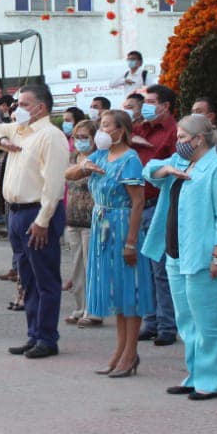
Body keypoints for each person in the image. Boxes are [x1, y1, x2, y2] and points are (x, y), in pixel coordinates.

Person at [143, 115, 217, 400]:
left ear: (199, 139)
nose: (179, 142)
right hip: (176, 253)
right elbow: (149, 170)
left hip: (203, 255)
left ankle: (212, 382)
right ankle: (195, 375)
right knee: (187, 320)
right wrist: (167, 170)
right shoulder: (180, 162)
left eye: (184, 137)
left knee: (209, 321)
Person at [0, 83, 71, 359]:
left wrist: (43, 220)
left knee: (45, 279)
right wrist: (2, 142)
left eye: (23, 104)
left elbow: (54, 183)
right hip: (16, 212)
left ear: (40, 107)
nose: (16, 109)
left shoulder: (50, 135)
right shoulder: (19, 130)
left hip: (37, 212)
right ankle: (34, 334)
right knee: (27, 279)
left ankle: (47, 337)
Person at [67, 110, 149, 377]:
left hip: (122, 224)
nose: (100, 131)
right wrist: (83, 166)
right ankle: (120, 350)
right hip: (101, 224)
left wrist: (131, 242)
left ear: (120, 131)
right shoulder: (99, 155)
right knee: (115, 292)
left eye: (105, 126)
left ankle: (129, 353)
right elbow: (68, 174)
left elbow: (138, 202)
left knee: (130, 292)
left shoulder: (131, 159)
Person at [133, 84, 179, 346]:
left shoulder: (173, 133)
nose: (145, 106)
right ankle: (150, 321)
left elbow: (175, 167)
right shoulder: (140, 129)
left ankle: (166, 325)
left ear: (165, 106)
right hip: (137, 205)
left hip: (159, 205)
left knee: (160, 270)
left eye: (151, 101)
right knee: (144, 269)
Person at [63, 119, 99, 327]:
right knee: (76, 266)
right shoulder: (74, 157)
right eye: (77, 137)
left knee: (91, 265)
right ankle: (79, 307)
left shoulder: (98, 159)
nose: (80, 141)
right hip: (72, 217)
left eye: (85, 137)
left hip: (91, 219)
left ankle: (92, 309)